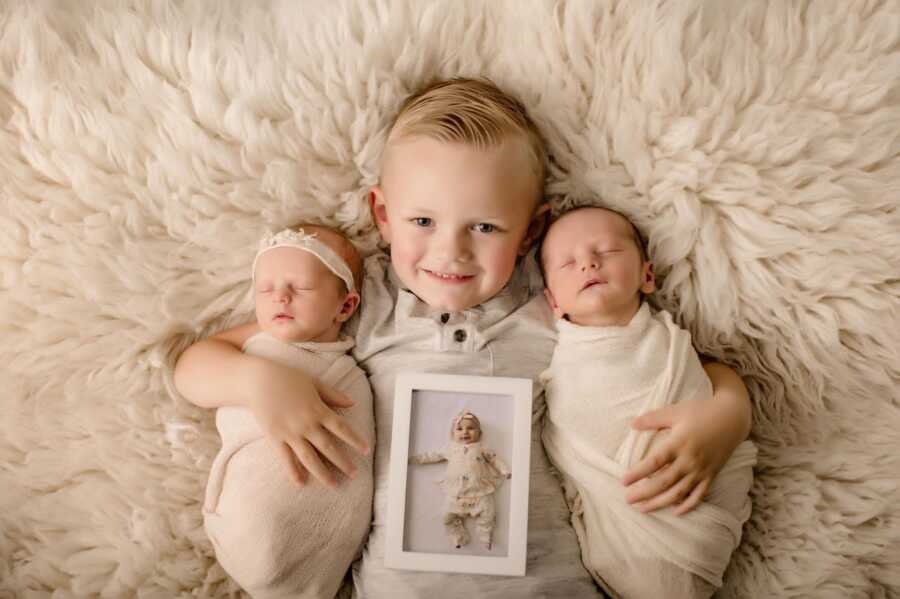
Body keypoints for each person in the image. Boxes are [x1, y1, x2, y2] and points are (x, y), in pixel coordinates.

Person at [173, 77, 752, 598]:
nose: (451, 251)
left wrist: (727, 415)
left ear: (531, 232)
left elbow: (677, 362)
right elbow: (195, 364)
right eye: (422, 222)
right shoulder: (360, 304)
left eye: (484, 227)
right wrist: (257, 381)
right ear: (382, 213)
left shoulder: (552, 302)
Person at [539, 206, 757, 599]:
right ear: (554, 301)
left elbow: (712, 377)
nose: (588, 262)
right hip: (620, 525)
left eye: (607, 251)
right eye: (568, 263)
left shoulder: (671, 341)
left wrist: (726, 413)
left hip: (699, 508)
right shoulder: (556, 360)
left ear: (647, 275)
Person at [200, 225, 375, 599]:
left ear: (345, 306)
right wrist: (257, 380)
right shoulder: (254, 344)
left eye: (302, 287)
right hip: (244, 522)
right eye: (265, 289)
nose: (280, 296)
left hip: (314, 530)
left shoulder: (353, 377)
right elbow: (192, 365)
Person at [409, 410, 511, 550]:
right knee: (446, 516)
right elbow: (433, 455)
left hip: (479, 491)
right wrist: (415, 459)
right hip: (456, 492)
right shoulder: (451, 449)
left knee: (489, 512)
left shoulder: (481, 448)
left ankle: (485, 534)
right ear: (453, 434)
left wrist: (504, 470)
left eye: (471, 428)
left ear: (479, 433)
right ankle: (457, 535)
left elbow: (494, 459)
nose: (465, 432)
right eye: (460, 428)